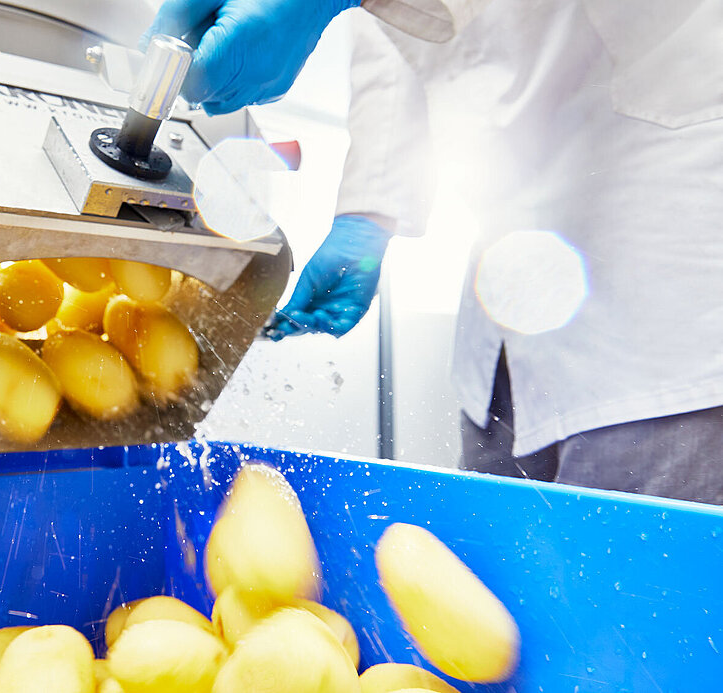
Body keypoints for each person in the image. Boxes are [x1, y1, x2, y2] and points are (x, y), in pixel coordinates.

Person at [146, 0, 723, 504]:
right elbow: (394, 41)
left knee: (646, 597)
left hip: (664, 278)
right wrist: (367, 216)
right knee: (496, 597)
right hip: (504, 296)